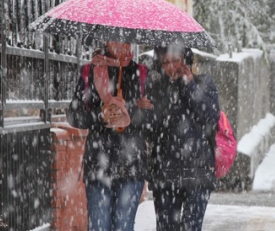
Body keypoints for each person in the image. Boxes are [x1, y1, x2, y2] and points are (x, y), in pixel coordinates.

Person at [67, 41, 153, 231]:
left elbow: (153, 121)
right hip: (99, 164)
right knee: (99, 226)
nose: (123, 43)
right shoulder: (90, 71)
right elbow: (74, 115)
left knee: (123, 226)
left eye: (126, 38)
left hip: (131, 165)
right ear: (107, 41)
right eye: (116, 38)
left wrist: (130, 114)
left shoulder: (143, 74)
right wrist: (101, 114)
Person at [145, 46, 221, 231]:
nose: (171, 67)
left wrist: (190, 85)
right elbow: (150, 130)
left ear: (185, 60)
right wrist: (145, 110)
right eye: (165, 62)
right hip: (165, 173)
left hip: (198, 173)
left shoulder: (204, 83)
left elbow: (210, 117)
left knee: (192, 227)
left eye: (175, 60)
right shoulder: (156, 88)